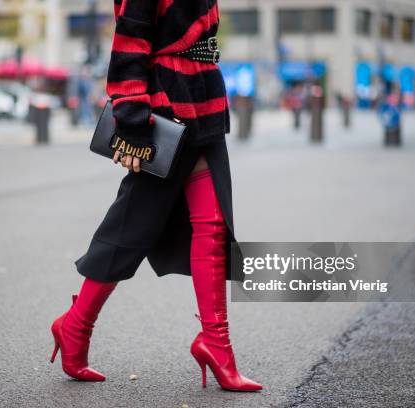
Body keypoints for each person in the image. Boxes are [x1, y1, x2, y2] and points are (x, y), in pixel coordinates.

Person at [50, 0, 262, 392]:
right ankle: (75, 326)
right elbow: (129, 48)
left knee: (213, 228)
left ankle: (216, 345)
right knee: (129, 231)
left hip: (204, 103)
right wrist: (131, 125)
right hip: (163, 115)